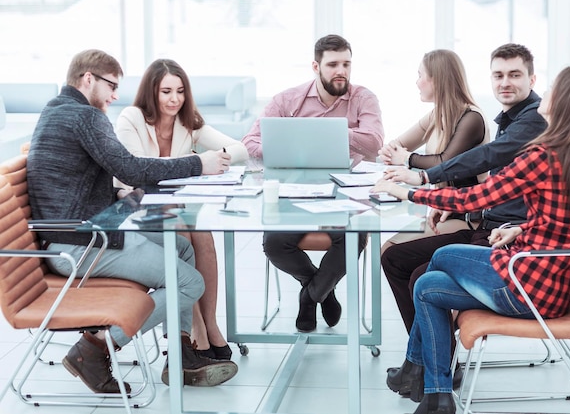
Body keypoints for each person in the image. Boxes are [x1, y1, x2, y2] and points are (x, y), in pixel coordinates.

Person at [372, 65, 570, 414]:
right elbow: (568, 225)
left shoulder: (542, 157)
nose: (543, 95)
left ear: (566, 104)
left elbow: (474, 198)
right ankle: (436, 395)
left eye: (552, 91)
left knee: (441, 257)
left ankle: (421, 373)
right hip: (554, 286)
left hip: (526, 286)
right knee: (426, 286)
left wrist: (407, 192)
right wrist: (521, 230)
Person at [27, 49, 237, 393]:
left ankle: (182, 353)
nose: (114, 95)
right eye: (111, 86)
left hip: (77, 234)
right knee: (190, 284)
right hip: (79, 244)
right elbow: (132, 169)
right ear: (88, 79)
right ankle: (93, 348)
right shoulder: (85, 116)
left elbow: (74, 181)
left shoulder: (55, 111)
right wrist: (200, 164)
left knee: (183, 249)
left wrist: (115, 197)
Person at [382, 43, 548, 398]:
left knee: (421, 275)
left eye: (515, 75)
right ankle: (428, 364)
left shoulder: (531, 121)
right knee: (395, 258)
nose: (505, 82)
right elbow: (494, 189)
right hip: (488, 225)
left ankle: (430, 368)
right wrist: (461, 207)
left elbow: (484, 160)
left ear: (532, 79)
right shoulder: (511, 120)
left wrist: (423, 182)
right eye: (498, 75)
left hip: (501, 238)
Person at [241, 34, 384, 332]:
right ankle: (320, 289)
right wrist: (291, 141)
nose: (340, 70)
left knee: (353, 238)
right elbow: (250, 141)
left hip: (344, 194)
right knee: (274, 244)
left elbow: (374, 144)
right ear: (316, 66)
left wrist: (330, 131)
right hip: (295, 193)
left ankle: (309, 297)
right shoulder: (287, 100)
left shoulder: (363, 98)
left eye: (346, 63)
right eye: (333, 64)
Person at [114, 59, 248, 368]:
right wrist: (195, 163)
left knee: (201, 234)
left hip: (173, 209)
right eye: (166, 92)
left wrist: (215, 157)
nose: (174, 99)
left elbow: (240, 149)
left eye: (180, 91)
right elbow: (137, 172)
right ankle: (197, 328)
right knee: (183, 229)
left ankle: (210, 323)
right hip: (135, 211)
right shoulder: (131, 118)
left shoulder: (188, 122)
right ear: (152, 93)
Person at [377, 48, 490, 253]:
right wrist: (389, 151)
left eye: (420, 75)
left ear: (436, 80)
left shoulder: (471, 118)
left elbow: (445, 163)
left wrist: (407, 158)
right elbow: (399, 144)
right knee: (388, 249)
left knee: (389, 251)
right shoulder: (436, 114)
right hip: (442, 210)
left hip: (468, 220)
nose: (417, 82)